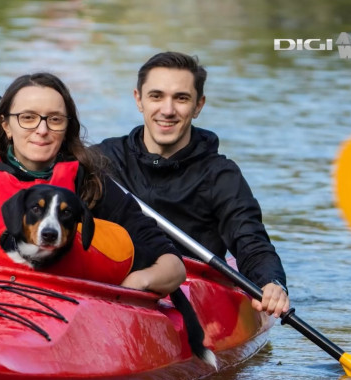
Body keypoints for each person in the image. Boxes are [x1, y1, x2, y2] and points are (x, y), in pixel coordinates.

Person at [0, 72, 186, 297]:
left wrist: (132, 286)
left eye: (54, 119)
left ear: (67, 127)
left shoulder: (93, 184)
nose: (42, 130)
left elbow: (171, 264)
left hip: (78, 311)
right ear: (7, 126)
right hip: (5, 307)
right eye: (28, 118)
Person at [95, 52, 290, 317]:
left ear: (198, 106)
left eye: (181, 98)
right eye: (156, 96)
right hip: (116, 284)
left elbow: (251, 242)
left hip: (192, 292)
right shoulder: (101, 162)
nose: (167, 110)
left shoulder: (221, 175)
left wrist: (271, 283)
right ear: (138, 100)